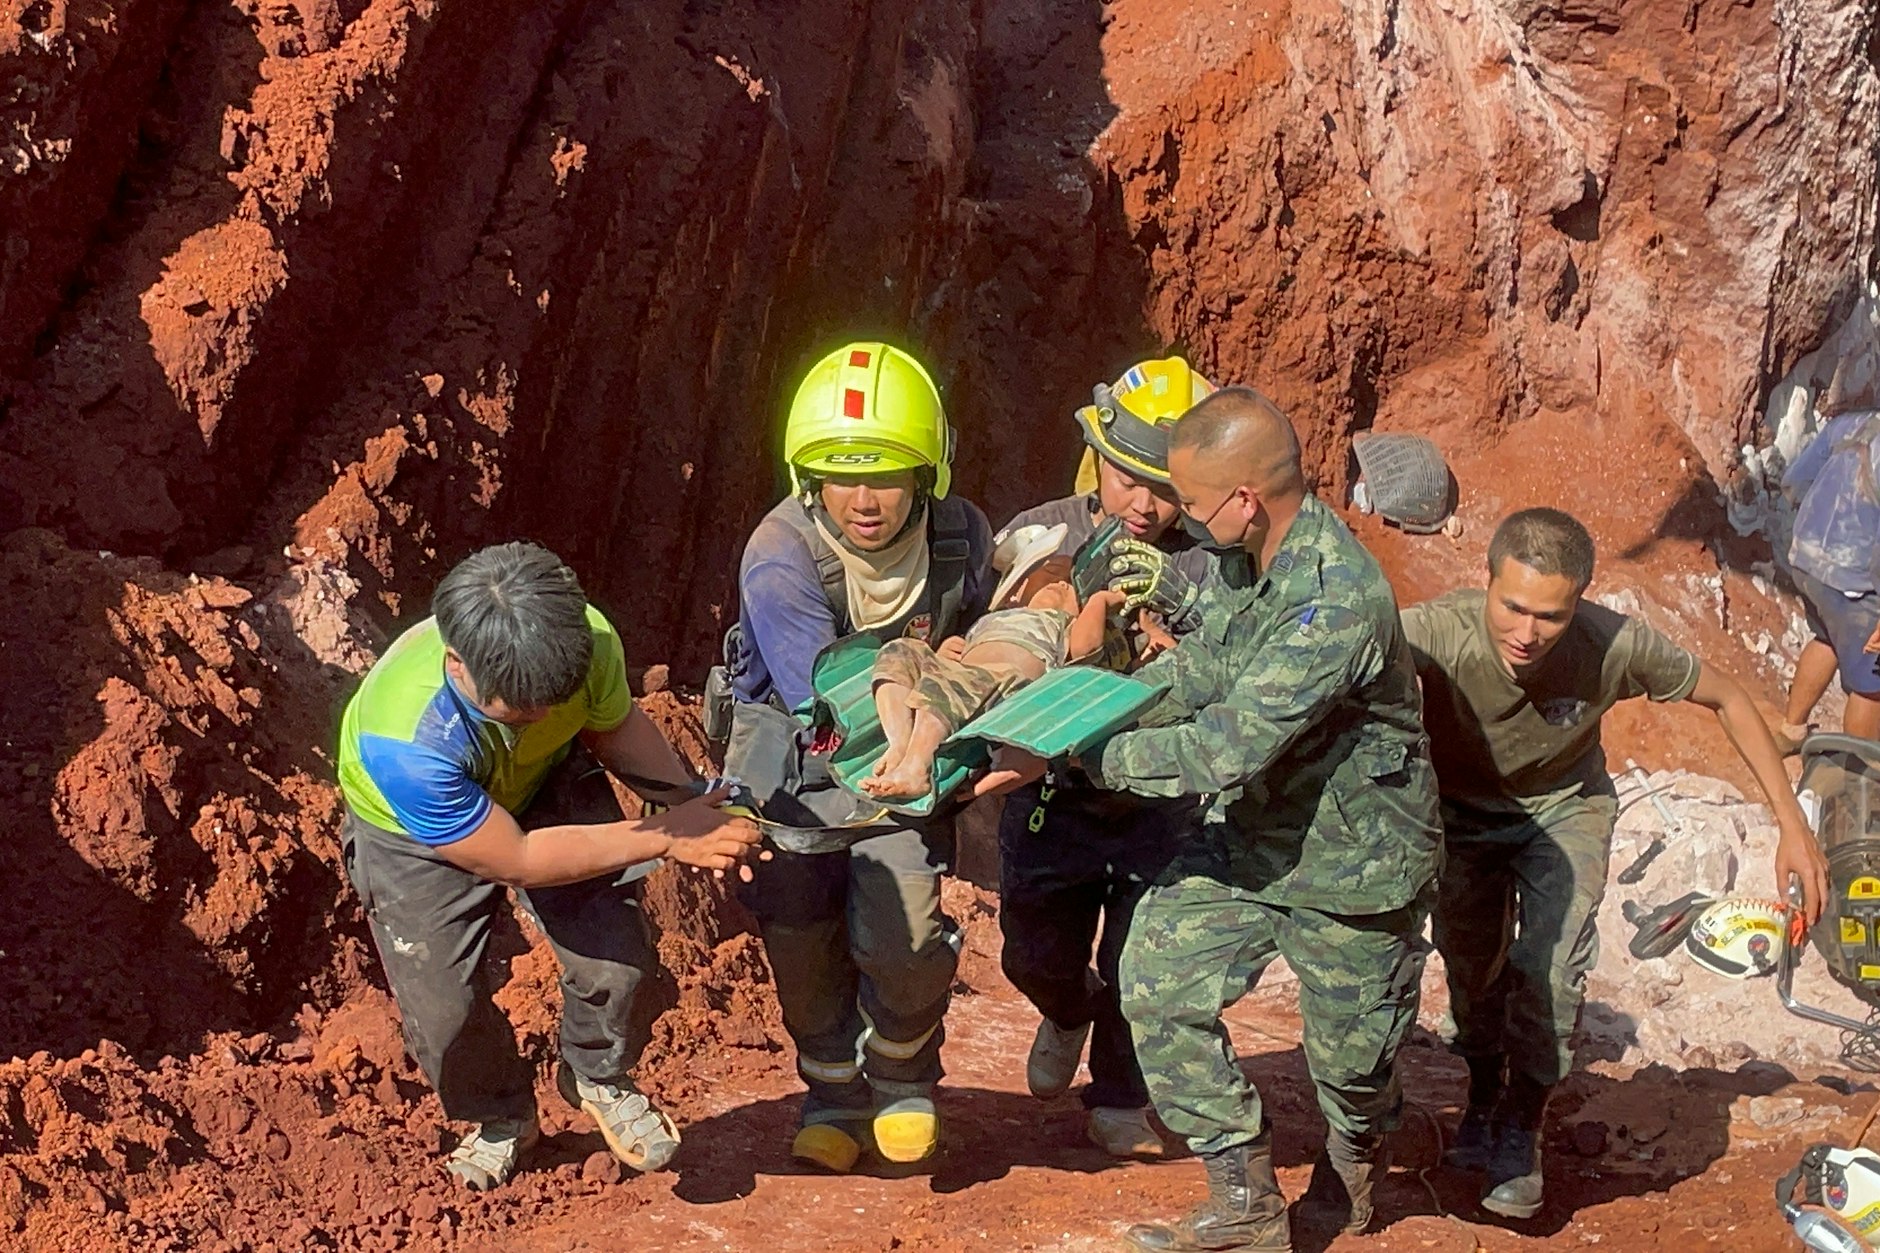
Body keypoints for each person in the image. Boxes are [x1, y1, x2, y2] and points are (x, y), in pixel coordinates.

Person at [979, 387, 1442, 1252]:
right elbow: (1200, 671)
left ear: (1241, 501)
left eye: (1189, 502)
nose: (1175, 519)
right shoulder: (1246, 558)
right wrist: (1080, 712)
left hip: (1355, 863)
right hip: (1257, 839)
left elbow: (1221, 749)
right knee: (1155, 972)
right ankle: (1244, 1203)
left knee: (1351, 1069)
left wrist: (1077, 756)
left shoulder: (1334, 599)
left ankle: (1364, 1156)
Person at [1402, 507, 1830, 1220]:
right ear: (1486, 582)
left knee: (1550, 966)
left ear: (1580, 603)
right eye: (1512, 606)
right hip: (1462, 816)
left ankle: (1521, 1123)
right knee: (1470, 967)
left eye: (1550, 614)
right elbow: (1339, 653)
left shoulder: (1611, 643)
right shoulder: (1437, 631)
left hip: (1565, 810)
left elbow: (1724, 694)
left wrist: (1792, 824)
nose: (1526, 632)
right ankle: (1483, 1093)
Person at [336, 542, 762, 1190]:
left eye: (551, 698)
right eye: (522, 704)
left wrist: (687, 796)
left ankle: (593, 1071)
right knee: (446, 1010)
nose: (541, 711)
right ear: (458, 664)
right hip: (413, 833)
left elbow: (612, 727)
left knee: (613, 956)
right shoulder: (404, 743)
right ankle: (502, 1117)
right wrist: (666, 834)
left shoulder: (586, 642)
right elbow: (521, 858)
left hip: (542, 776)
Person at [726, 341, 995, 1172]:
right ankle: (833, 1093)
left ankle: (905, 1078)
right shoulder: (779, 553)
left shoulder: (961, 536)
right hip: (800, 766)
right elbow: (828, 692)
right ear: (809, 477)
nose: (864, 498)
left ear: (927, 472)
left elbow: (981, 643)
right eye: (841, 474)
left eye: (884, 473)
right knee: (801, 938)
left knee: (906, 932)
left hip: (907, 764)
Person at [992, 356, 1219, 1161]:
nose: (1144, 503)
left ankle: (1122, 1095)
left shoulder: (1210, 560)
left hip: (1162, 801)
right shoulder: (1041, 532)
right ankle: (1064, 1009)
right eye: (1129, 477)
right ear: (1097, 452)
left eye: (1166, 487)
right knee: (1031, 951)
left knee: (1142, 958)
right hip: (1056, 795)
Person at [863, 531, 1126, 801]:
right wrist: (944, 654)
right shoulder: (994, 618)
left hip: (1003, 683)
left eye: (1071, 587)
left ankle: (916, 768)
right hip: (962, 674)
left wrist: (1099, 602)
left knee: (952, 685)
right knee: (900, 650)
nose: (1061, 583)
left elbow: (1087, 648)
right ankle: (899, 742)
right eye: (1052, 574)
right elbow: (952, 657)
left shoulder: (1061, 625)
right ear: (1017, 590)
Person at [1774, 410, 1880, 750]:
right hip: (1854, 578)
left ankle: (1790, 732)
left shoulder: (1849, 424)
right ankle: (1860, 773)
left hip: (1807, 560)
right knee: (1872, 680)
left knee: (1827, 638)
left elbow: (1794, 482)